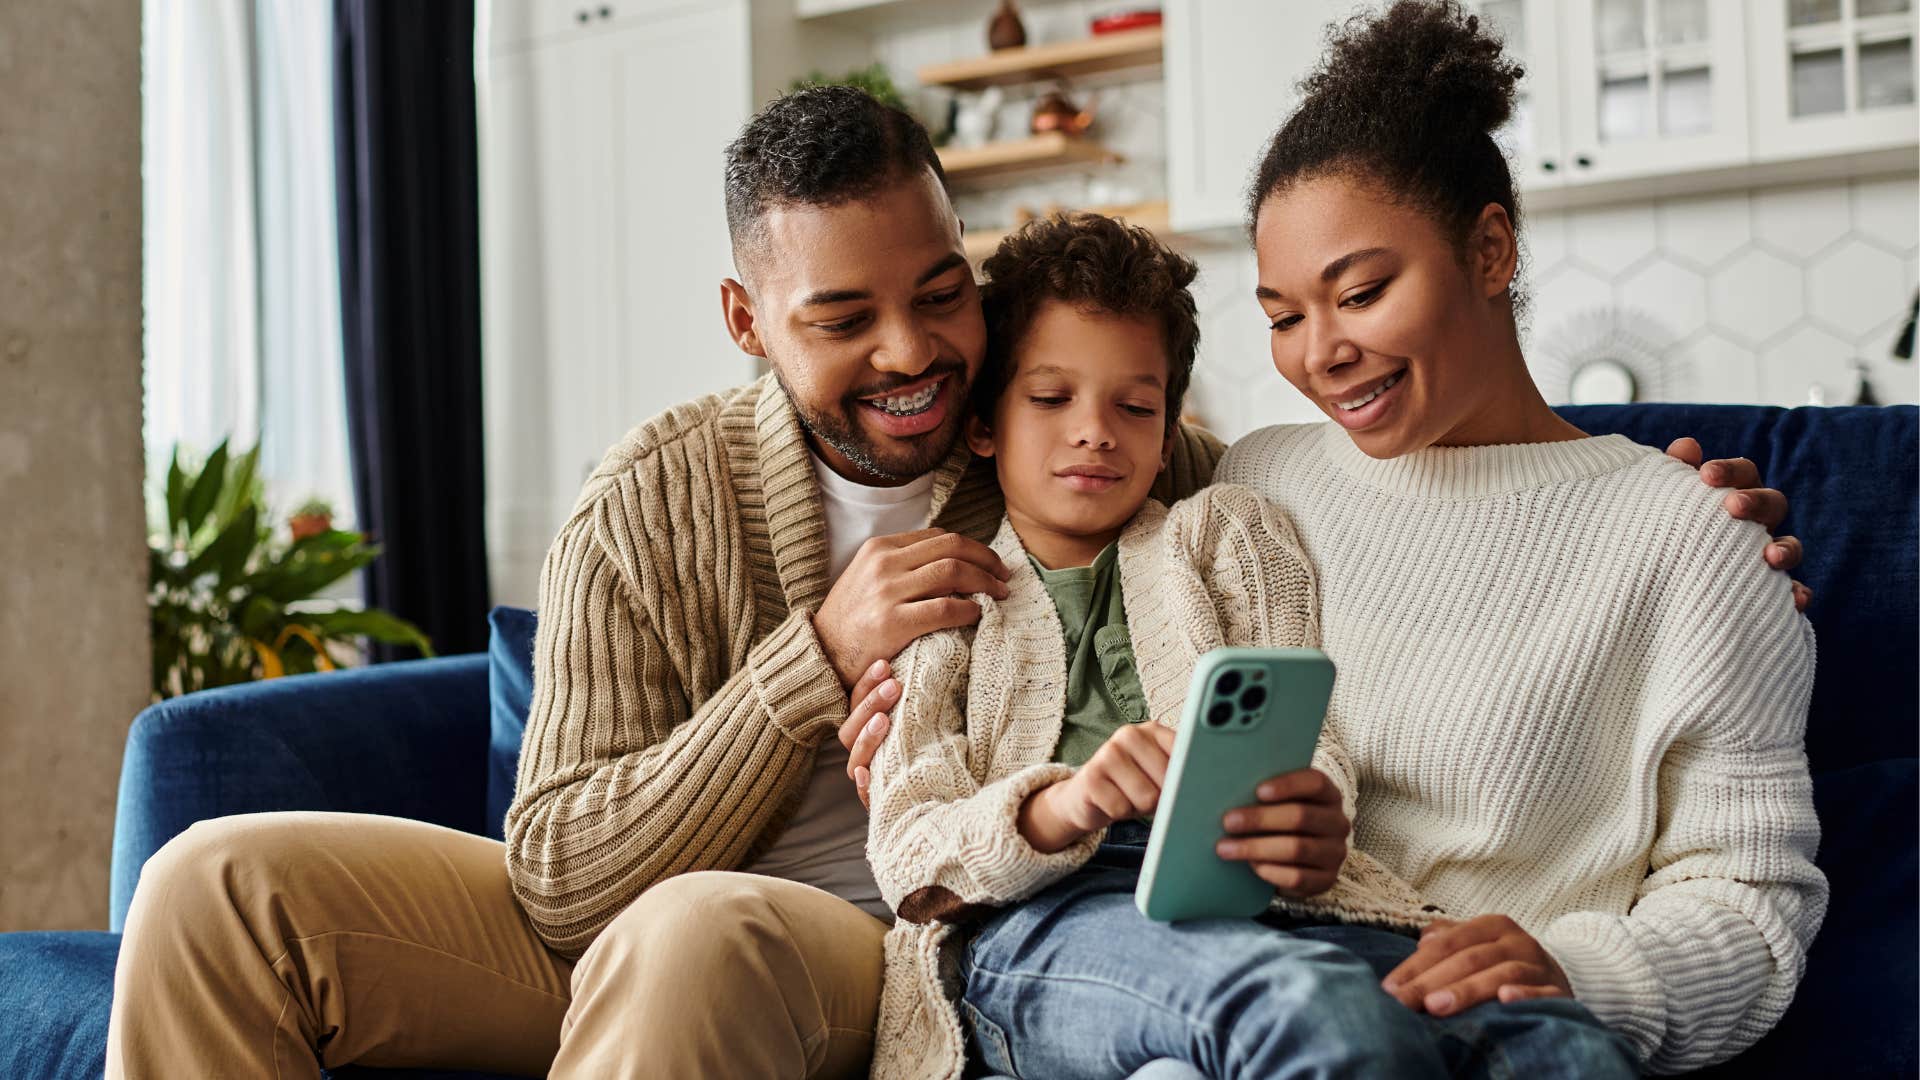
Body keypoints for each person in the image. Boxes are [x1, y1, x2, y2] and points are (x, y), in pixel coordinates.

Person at [104, 85, 1805, 1079]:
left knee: (694, 937)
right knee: (210, 882)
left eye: (940, 292)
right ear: (750, 322)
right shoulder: (657, 496)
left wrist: (1659, 485)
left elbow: (1391, 487)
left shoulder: (1124, 458)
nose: (915, 354)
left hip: (883, 932)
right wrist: (802, 666)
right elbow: (551, 881)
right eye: (845, 320)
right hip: (625, 907)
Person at [936, 3, 1824, 1077]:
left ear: (1489, 250)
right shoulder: (1256, 476)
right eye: (1282, 315)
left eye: (1360, 293)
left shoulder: (1692, 539)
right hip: (1266, 997)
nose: (1322, 355)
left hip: (1504, 1026)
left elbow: (1751, 904)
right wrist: (864, 639)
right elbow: (1047, 468)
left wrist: (1578, 968)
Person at [864, 211, 1451, 1080]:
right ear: (984, 425)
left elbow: (1305, 736)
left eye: (1133, 406)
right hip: (1037, 921)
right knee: (1304, 1012)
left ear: (1169, 429)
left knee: (1536, 1028)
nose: (1096, 431)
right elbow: (908, 852)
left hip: (1255, 905)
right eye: (1052, 398)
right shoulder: (947, 603)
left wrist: (1308, 817)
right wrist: (1063, 806)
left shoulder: (1227, 534)